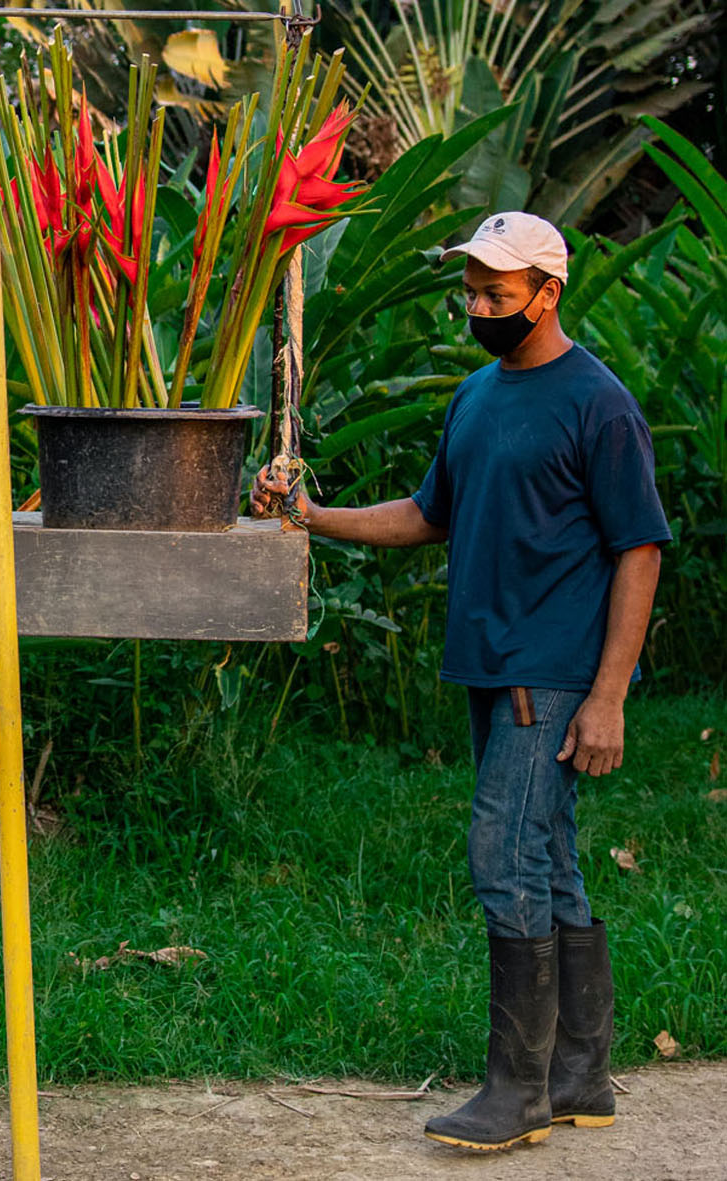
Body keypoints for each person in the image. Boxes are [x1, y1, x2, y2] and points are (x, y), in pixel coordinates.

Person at [252, 212, 667, 1152]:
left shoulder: (597, 403)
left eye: (497, 292)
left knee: (504, 853)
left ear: (548, 292)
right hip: (491, 661)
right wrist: (312, 515)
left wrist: (610, 696)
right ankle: (578, 1076)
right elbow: (426, 513)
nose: (478, 306)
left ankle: (516, 1090)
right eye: (471, 289)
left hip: (551, 670)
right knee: (547, 856)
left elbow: (639, 550)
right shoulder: (477, 396)